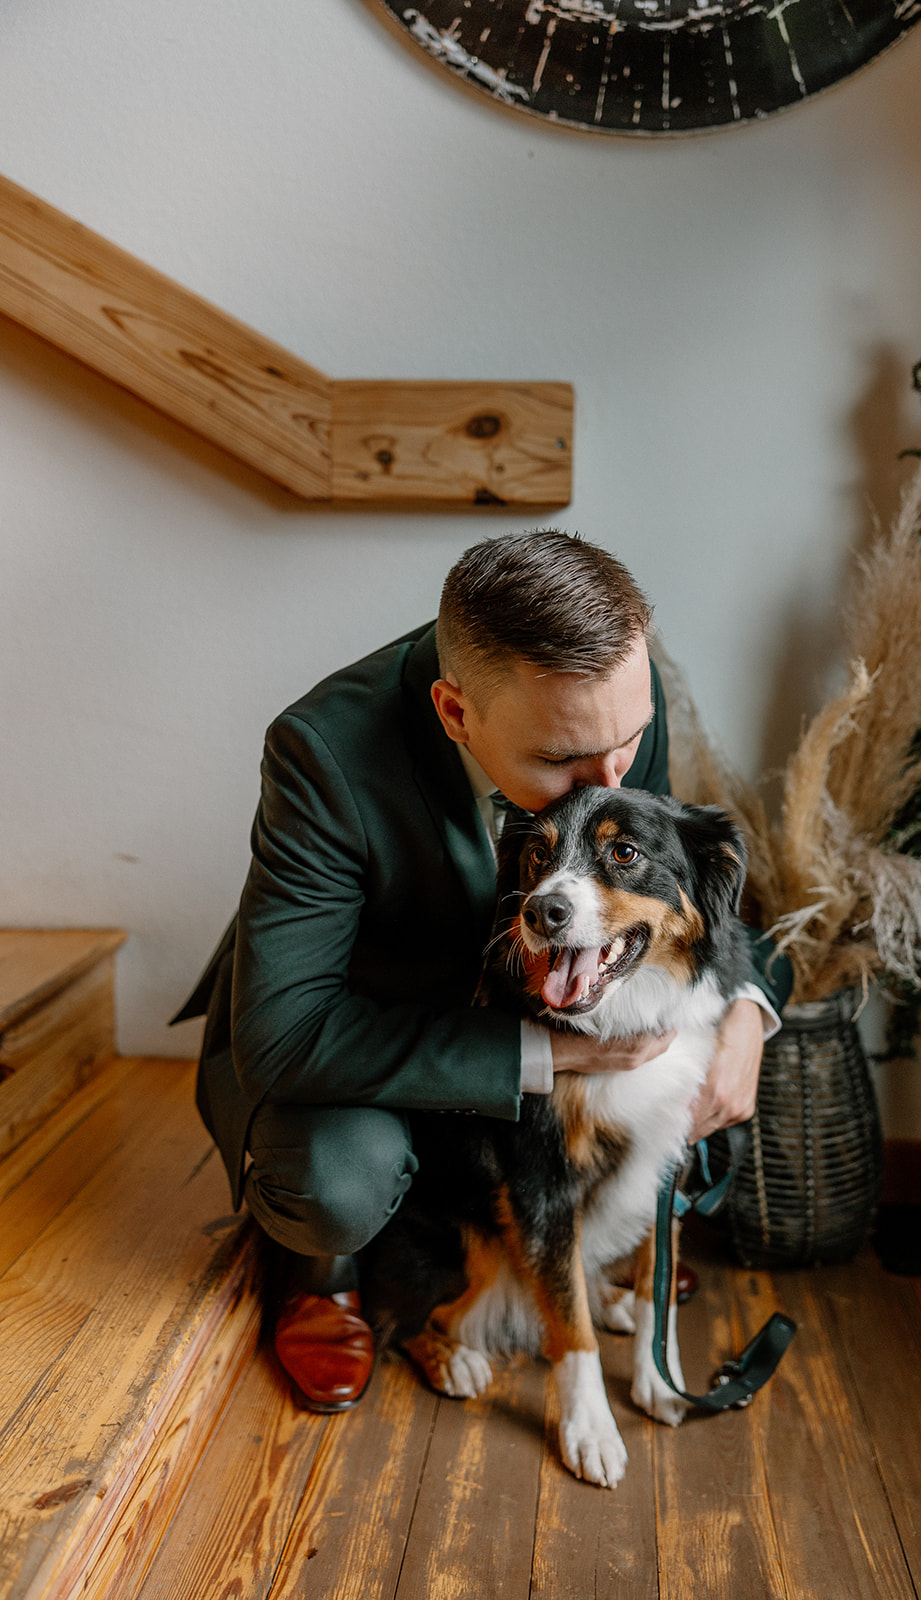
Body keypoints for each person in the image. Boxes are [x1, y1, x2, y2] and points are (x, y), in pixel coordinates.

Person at [174, 531, 790, 1413]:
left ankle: (564, 1262)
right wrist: (548, 1057)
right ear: (456, 714)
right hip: (354, 1019)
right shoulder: (323, 752)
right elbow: (285, 1038)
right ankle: (323, 1275)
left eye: (630, 741)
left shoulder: (600, 719)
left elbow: (673, 872)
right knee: (339, 1180)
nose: (605, 779)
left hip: (530, 984)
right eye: (563, 763)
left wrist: (745, 1013)